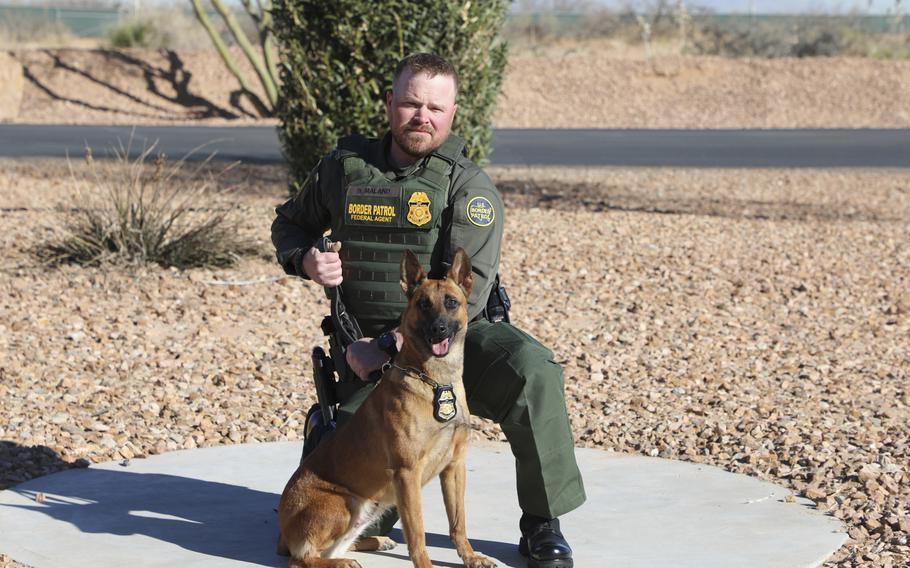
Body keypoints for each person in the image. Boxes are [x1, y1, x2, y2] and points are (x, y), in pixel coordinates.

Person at [271, 52, 585, 568]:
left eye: (435, 107)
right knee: (362, 507)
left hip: (455, 340)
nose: (423, 116)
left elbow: (469, 289)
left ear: (453, 112)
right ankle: (326, 430)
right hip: (365, 361)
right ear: (390, 103)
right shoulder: (343, 170)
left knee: (532, 369)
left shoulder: (466, 185)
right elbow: (289, 224)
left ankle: (542, 524)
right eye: (412, 103)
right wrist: (305, 258)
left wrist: (391, 344)